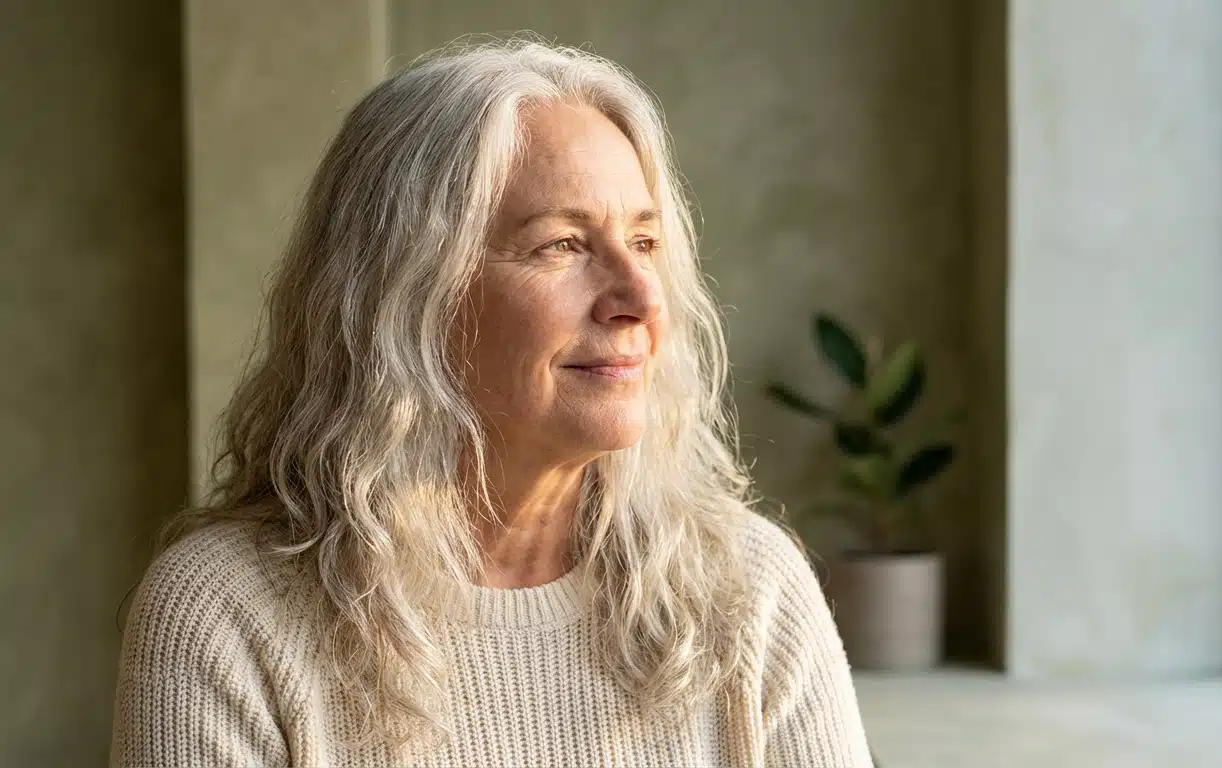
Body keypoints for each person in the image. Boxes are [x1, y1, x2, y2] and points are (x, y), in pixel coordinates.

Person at [110, 38, 873, 767]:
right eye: (562, 246)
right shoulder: (226, 613)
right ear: (404, 298)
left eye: (644, 243)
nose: (641, 298)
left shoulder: (751, 588)